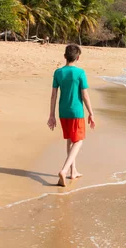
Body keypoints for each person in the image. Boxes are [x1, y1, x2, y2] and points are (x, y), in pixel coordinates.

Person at [47, 44, 96, 187]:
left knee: (70, 139)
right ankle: (64, 170)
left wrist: (51, 115)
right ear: (78, 57)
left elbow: (53, 95)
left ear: (65, 57)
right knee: (79, 141)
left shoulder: (58, 72)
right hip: (76, 112)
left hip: (63, 112)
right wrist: (91, 113)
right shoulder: (80, 73)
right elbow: (85, 95)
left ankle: (73, 171)